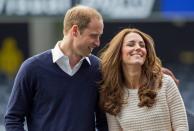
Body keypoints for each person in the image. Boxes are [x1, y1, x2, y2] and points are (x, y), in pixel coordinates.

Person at [4, 5, 108, 131]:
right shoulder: (32, 68)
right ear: (75, 30)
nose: (98, 43)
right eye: (93, 35)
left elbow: (104, 122)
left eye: (99, 36)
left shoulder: (99, 69)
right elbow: (13, 118)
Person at [99, 28, 188, 131]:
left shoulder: (165, 83)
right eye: (131, 44)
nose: (138, 48)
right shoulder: (112, 94)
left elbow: (181, 126)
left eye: (142, 45)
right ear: (118, 53)